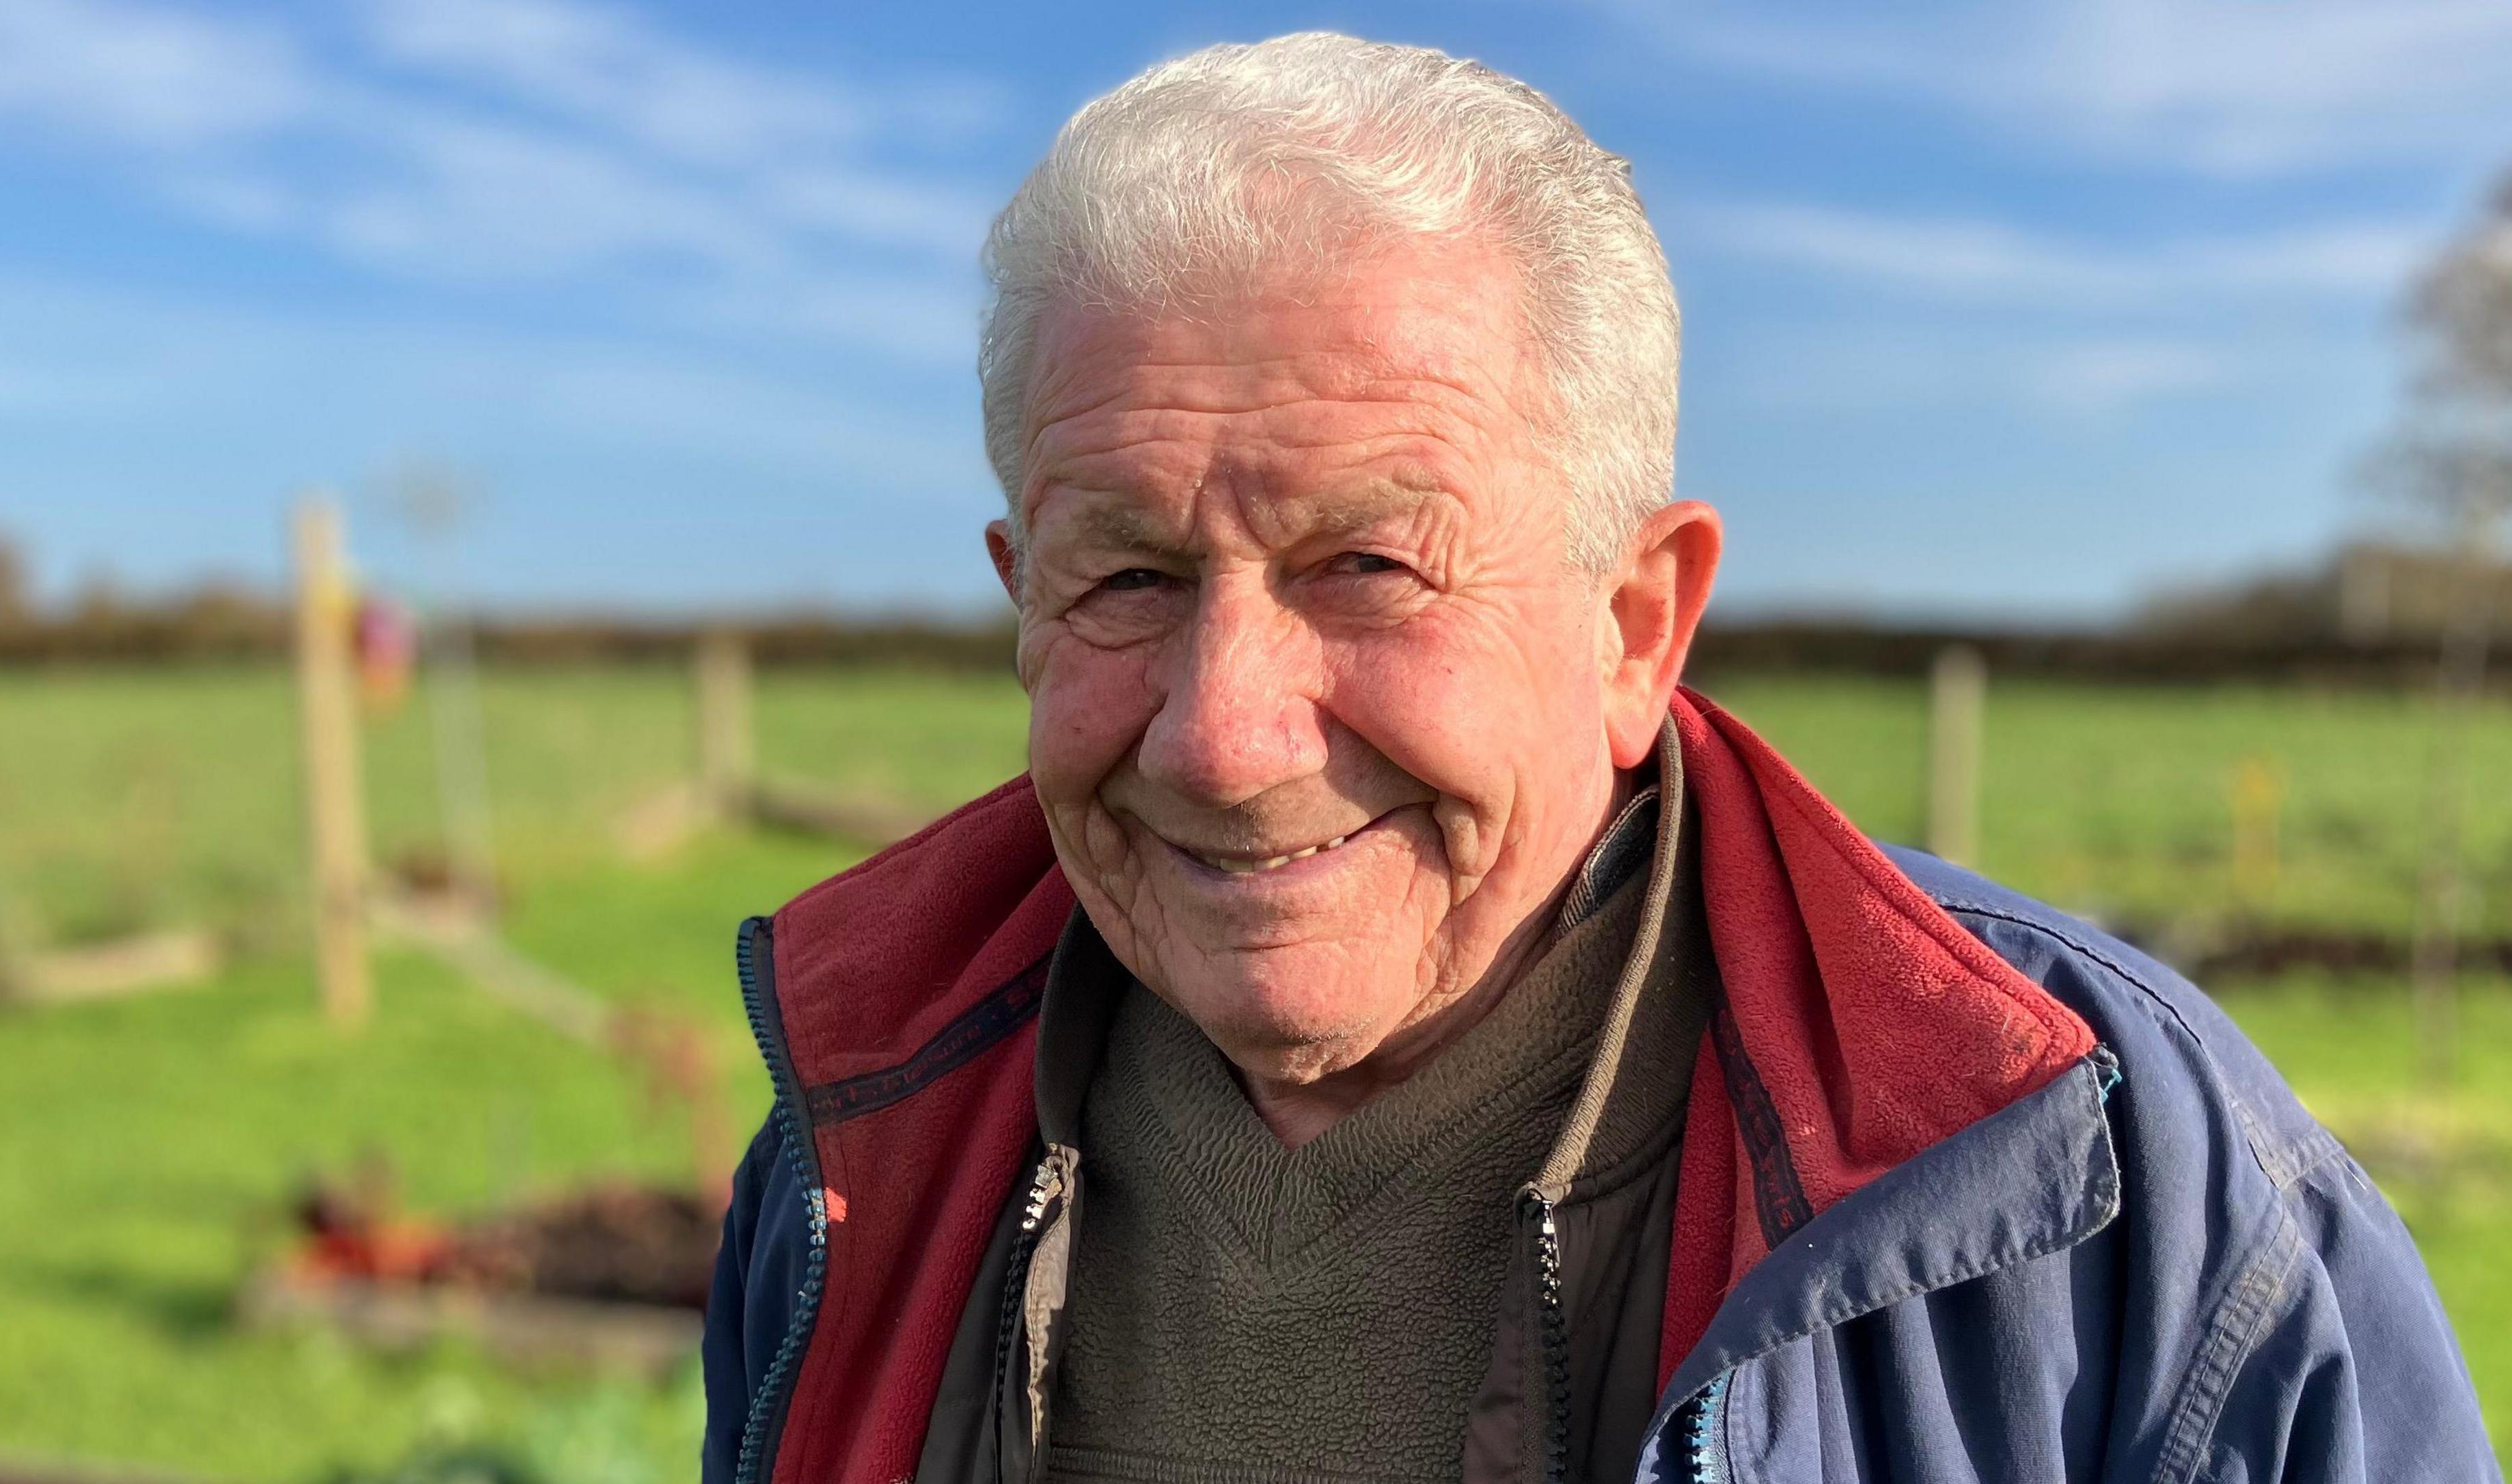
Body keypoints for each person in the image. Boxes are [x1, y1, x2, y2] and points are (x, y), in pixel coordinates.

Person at [701, 33, 2495, 1484]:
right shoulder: (856, 1148)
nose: (1224, 737)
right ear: (1023, 598)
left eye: (1370, 567)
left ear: (1635, 625)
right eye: (1128, 579)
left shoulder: (2116, 1187)